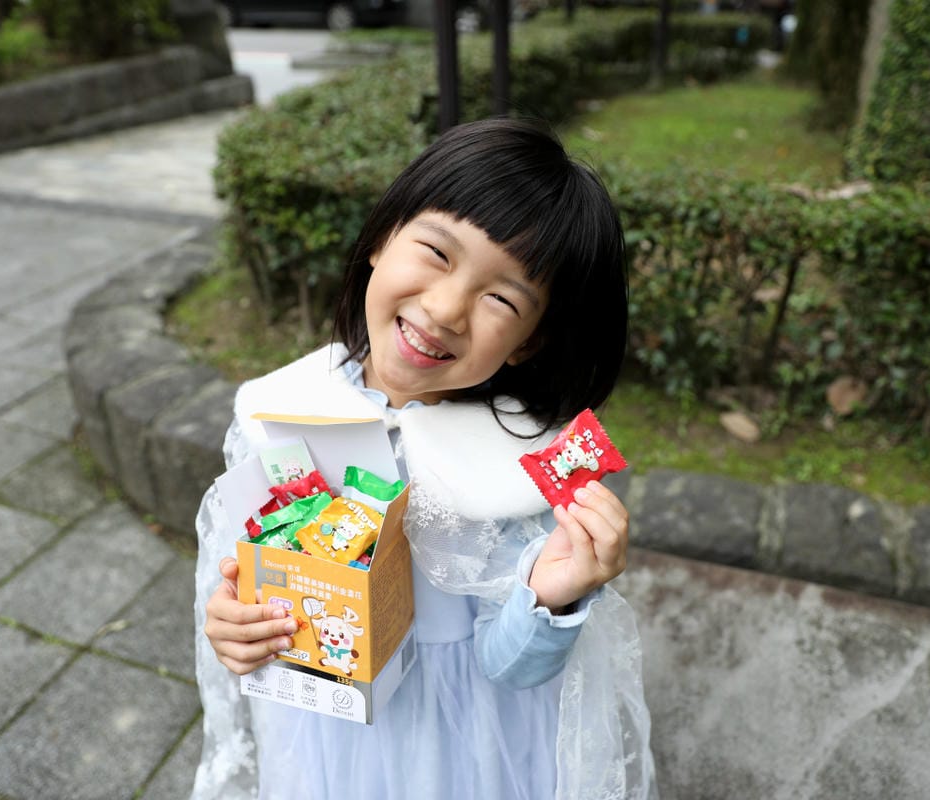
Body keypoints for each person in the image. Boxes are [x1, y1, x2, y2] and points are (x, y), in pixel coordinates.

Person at [191, 117, 656, 800]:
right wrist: (235, 624)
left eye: (501, 298)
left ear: (528, 342)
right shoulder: (283, 409)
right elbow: (246, 578)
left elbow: (511, 667)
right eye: (437, 251)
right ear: (383, 239)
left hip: (463, 746)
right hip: (331, 733)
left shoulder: (515, 470)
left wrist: (551, 597)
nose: (444, 309)